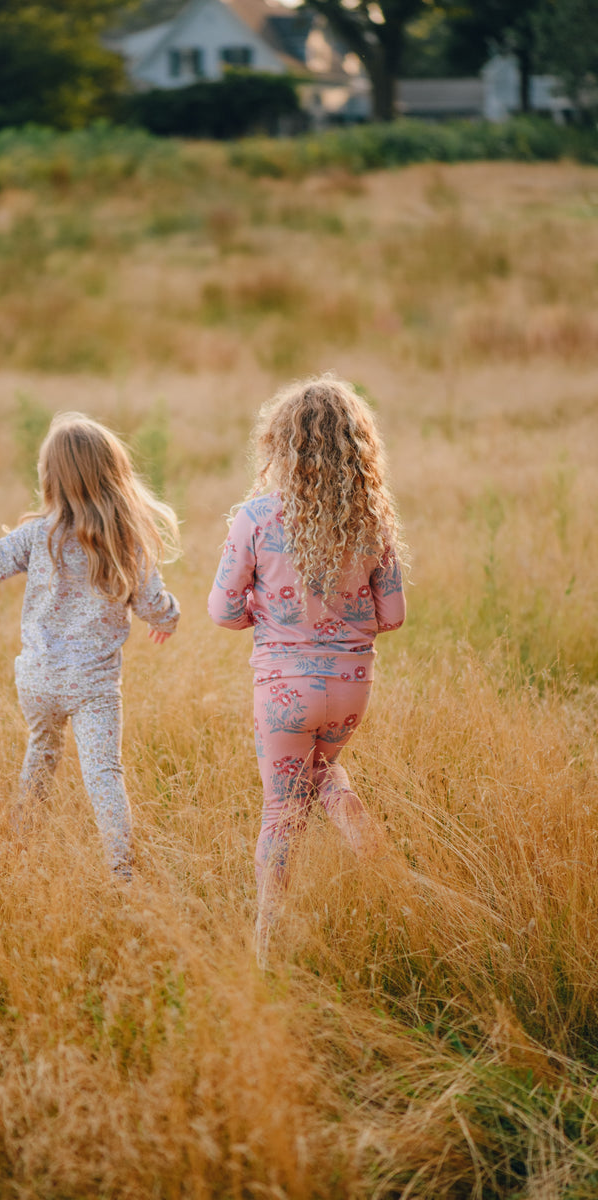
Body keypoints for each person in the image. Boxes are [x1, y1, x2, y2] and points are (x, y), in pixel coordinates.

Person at [0, 412, 180, 880]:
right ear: (115, 473)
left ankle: (23, 841)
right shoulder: (126, 538)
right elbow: (154, 603)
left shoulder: (36, 535)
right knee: (103, 773)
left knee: (42, 751)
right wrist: (169, 618)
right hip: (93, 685)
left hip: (39, 678)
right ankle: (121, 870)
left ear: (51, 479)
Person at [208, 373, 406, 964]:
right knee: (325, 771)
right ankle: (374, 856)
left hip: (283, 688)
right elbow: (392, 616)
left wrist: (262, 616)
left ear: (281, 444)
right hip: (350, 688)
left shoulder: (257, 517)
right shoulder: (371, 521)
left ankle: (266, 946)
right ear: (357, 447)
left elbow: (221, 609)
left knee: (280, 812)